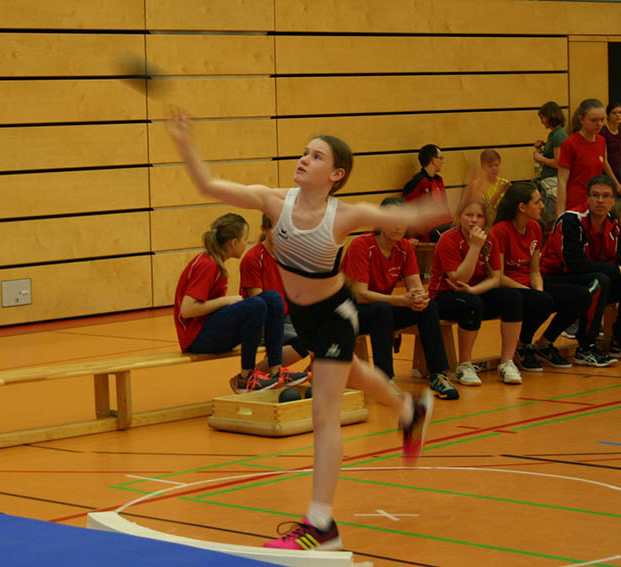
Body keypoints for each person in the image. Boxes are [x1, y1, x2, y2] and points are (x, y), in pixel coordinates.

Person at [166, 106, 439, 551]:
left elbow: (405, 217)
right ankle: (410, 409)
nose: (304, 159)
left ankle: (321, 525)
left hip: (335, 314)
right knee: (350, 371)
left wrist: (443, 205)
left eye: (316, 156)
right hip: (305, 316)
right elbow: (210, 186)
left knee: (323, 413)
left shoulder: (343, 216)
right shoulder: (276, 201)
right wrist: (184, 144)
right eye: (304, 153)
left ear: (336, 174)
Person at [173, 213, 308, 393]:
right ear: (234, 243)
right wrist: (227, 300)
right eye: (245, 239)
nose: (247, 243)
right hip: (196, 338)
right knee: (256, 305)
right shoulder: (208, 264)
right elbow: (187, 310)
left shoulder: (217, 265)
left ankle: (276, 370)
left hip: (209, 330)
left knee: (272, 298)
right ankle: (246, 377)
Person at [343, 197, 458, 400]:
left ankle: (438, 375)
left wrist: (419, 297)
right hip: (350, 313)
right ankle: (385, 380)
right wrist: (401, 301)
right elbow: (360, 295)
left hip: (381, 309)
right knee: (382, 310)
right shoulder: (361, 245)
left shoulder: (404, 247)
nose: (398, 226)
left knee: (429, 307)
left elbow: (414, 286)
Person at [428, 197, 524, 385]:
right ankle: (465, 365)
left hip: (472, 292)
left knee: (513, 297)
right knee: (471, 304)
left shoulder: (491, 238)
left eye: (479, 216)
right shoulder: (448, 239)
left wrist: (473, 290)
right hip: (445, 295)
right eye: (468, 215)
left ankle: (507, 363)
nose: (473, 220)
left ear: (486, 220)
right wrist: (475, 247)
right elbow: (459, 279)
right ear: (459, 217)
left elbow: (496, 278)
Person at [490, 183, 577, 370]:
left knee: (580, 296)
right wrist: (533, 293)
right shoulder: (500, 231)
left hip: (528, 283)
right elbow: (498, 276)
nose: (542, 206)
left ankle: (544, 344)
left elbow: (535, 271)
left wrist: (538, 290)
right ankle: (521, 347)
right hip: (507, 287)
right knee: (542, 301)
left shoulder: (536, 227)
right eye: (537, 202)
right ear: (522, 207)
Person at [541, 174, 621, 365]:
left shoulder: (612, 222)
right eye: (595, 195)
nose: (600, 200)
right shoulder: (571, 220)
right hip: (553, 278)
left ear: (614, 200)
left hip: (586, 277)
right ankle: (586, 347)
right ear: (587, 198)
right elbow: (575, 264)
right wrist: (615, 269)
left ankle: (618, 339)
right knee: (599, 281)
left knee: (602, 279)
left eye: (606, 196)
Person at [239, 214, 310, 378]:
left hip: (288, 317)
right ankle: (251, 376)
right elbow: (258, 304)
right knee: (306, 341)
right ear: (264, 229)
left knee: (325, 329)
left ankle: (313, 377)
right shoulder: (253, 258)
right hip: (264, 321)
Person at [556, 98, 621, 217]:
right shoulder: (570, 143)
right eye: (594, 120)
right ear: (581, 119)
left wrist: (616, 184)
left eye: (602, 120)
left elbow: (604, 162)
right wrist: (560, 213)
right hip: (576, 203)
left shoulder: (601, 140)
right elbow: (562, 180)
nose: (599, 124)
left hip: (596, 203)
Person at [402, 144, 453, 242]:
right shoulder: (417, 182)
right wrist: (410, 236)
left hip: (445, 224)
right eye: (440, 158)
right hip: (428, 230)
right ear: (433, 160)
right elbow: (407, 209)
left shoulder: (438, 181)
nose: (442, 161)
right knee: (452, 239)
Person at [533, 101, 568, 227]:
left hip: (553, 181)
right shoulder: (554, 134)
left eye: (542, 117)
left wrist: (540, 158)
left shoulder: (558, 135)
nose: (541, 121)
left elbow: (559, 163)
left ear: (549, 116)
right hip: (549, 179)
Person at [600, 101, 621, 218]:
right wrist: (615, 183)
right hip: (608, 175)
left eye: (620, 113)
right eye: (614, 113)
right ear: (608, 115)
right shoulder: (604, 132)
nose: (618, 115)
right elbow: (604, 160)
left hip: (619, 173)